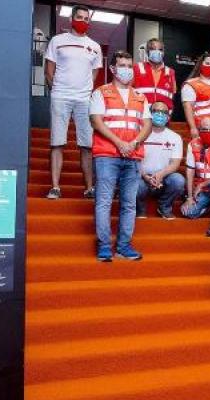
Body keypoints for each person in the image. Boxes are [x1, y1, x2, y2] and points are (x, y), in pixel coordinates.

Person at [89, 50, 152, 262]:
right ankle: (104, 246)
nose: (126, 69)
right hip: (107, 155)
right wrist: (119, 143)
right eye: (122, 65)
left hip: (133, 155)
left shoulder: (140, 96)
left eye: (129, 65)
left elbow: (147, 125)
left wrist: (133, 143)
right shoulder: (101, 92)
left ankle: (124, 246)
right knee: (104, 201)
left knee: (129, 204)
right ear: (113, 69)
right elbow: (96, 121)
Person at [44, 5, 101, 199]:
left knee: (87, 145)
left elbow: (94, 73)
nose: (83, 21)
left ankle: (89, 188)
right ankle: (55, 187)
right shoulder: (57, 41)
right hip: (60, 96)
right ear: (71, 19)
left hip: (84, 99)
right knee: (57, 142)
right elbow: (48, 70)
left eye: (86, 19)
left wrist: (84, 91)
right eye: (79, 17)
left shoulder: (95, 46)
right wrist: (57, 89)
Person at [136, 100, 184, 219]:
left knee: (178, 180)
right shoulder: (139, 134)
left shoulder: (175, 137)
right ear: (149, 113)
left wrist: (161, 174)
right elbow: (134, 160)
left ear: (168, 117)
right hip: (142, 177)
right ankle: (140, 208)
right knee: (133, 182)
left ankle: (164, 206)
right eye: (156, 111)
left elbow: (175, 163)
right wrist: (145, 176)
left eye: (164, 112)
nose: (160, 115)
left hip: (164, 178)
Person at [133, 38, 177, 114]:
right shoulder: (137, 68)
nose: (157, 52)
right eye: (153, 49)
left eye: (160, 49)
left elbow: (172, 96)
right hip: (141, 117)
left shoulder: (170, 72)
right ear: (147, 52)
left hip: (161, 118)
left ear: (163, 52)